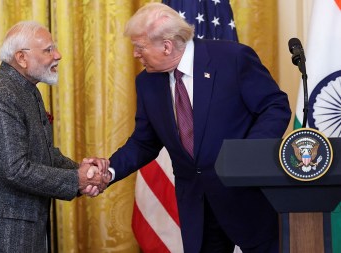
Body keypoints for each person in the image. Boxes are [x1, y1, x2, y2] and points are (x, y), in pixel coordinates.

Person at [107, 3, 291, 253]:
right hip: (197, 206)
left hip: (247, 199)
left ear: (167, 46)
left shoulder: (232, 59)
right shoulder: (147, 82)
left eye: (140, 47)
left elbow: (274, 105)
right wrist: (109, 170)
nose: (136, 55)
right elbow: (144, 142)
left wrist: (247, 154)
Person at [0, 21, 110, 253]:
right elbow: (15, 168)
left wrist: (82, 170)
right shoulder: (2, 93)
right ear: (21, 58)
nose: (58, 55)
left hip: (15, 231)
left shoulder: (25, 89)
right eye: (48, 50)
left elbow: (42, 154)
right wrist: (77, 179)